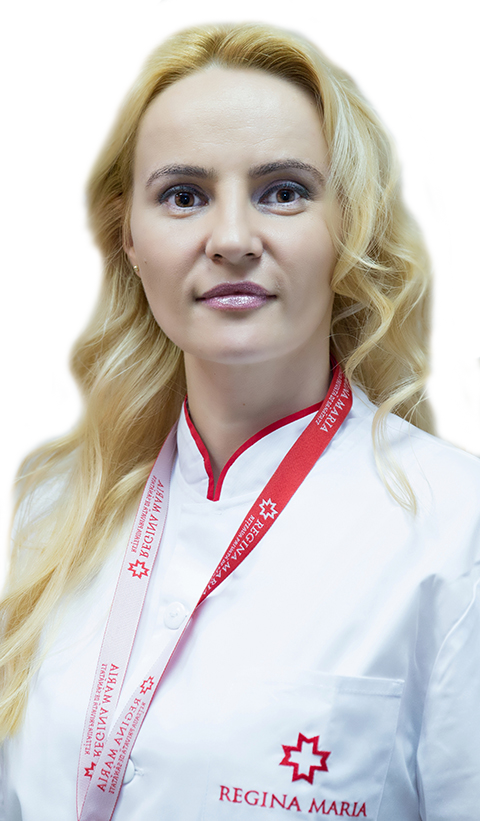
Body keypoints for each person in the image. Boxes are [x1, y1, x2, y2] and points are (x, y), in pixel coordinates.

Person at [1, 16, 479, 821]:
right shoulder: (49, 505)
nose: (230, 239)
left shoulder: (455, 525)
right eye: (183, 196)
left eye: (282, 192)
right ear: (128, 236)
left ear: (348, 224)